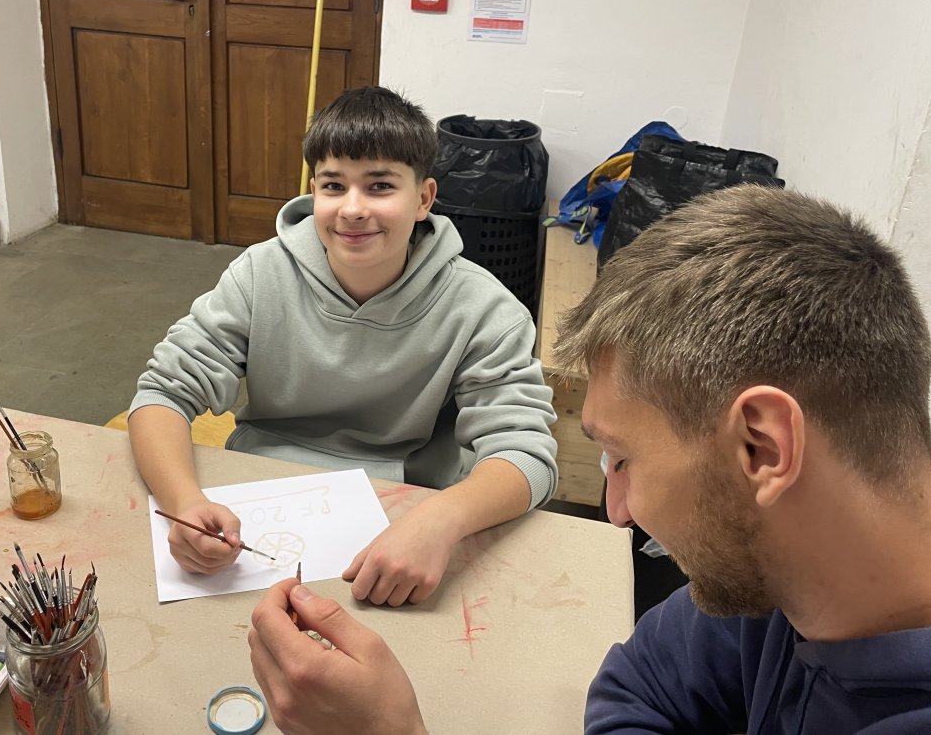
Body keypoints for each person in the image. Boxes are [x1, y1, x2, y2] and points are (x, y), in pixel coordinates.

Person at [248, 184, 931, 734]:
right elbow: (640, 688)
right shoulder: (780, 571)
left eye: (623, 460)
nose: (617, 511)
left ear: (764, 446)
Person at [129, 85, 558, 607]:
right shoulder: (260, 274)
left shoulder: (484, 309)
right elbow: (163, 392)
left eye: (380, 186)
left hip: (409, 506)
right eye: (334, 186)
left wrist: (440, 520)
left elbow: (525, 455)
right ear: (314, 191)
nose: (353, 209)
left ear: (423, 198)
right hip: (266, 496)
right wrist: (182, 503)